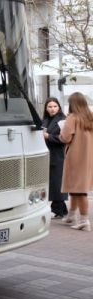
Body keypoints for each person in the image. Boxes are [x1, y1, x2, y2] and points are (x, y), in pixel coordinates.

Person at [59, 92, 93, 231]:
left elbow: (65, 138)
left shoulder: (72, 118)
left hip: (75, 158)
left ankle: (84, 220)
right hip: (88, 158)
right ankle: (71, 215)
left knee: (79, 190)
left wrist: (62, 131)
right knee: (76, 188)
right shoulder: (90, 118)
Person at [42, 97, 68, 219]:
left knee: (57, 182)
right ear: (46, 109)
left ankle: (57, 209)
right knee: (53, 182)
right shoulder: (45, 120)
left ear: (59, 107)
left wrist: (48, 136)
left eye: (55, 106)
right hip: (47, 155)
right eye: (50, 107)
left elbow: (64, 138)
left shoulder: (63, 120)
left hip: (58, 155)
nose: (52, 109)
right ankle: (61, 209)